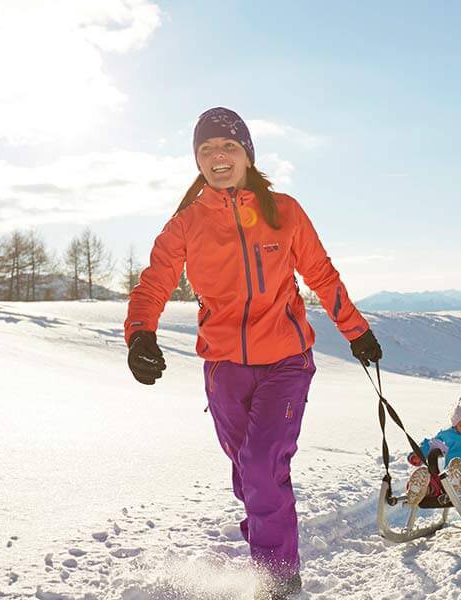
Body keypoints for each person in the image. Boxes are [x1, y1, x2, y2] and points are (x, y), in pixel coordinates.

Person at [124, 107, 382, 597]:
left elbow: (321, 275)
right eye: (207, 150)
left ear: (247, 154)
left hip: (286, 360)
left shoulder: (283, 211)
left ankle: (277, 578)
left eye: (228, 147)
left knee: (263, 463)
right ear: (197, 160)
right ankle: (266, 556)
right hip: (224, 367)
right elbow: (154, 280)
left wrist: (356, 331)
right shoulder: (186, 224)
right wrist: (141, 333)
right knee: (248, 471)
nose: (218, 157)